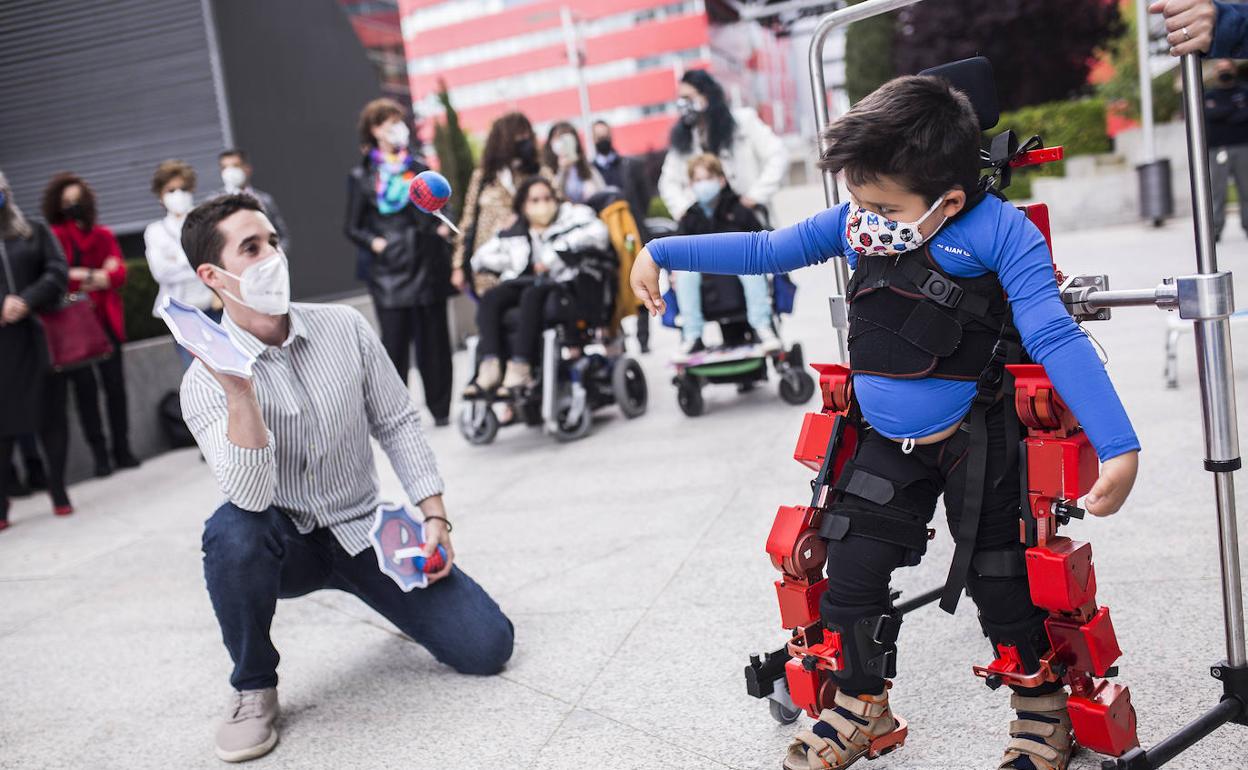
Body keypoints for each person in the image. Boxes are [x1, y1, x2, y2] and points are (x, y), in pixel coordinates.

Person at [631, 75, 1141, 770]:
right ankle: (863, 707)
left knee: (1003, 585)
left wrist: (1118, 445)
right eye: (856, 199)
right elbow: (766, 250)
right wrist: (662, 252)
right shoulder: (854, 224)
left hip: (978, 443)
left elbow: (1053, 335)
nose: (861, 217)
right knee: (850, 574)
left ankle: (1041, 712)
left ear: (949, 200)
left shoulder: (999, 230)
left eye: (880, 204)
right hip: (884, 442)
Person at [180, 194, 513, 763]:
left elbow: (397, 420)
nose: (272, 258)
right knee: (231, 532)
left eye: (273, 243)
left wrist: (433, 513)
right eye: (251, 248)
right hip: (283, 543)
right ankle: (253, 686)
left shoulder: (344, 328)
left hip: (364, 529)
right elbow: (250, 496)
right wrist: (240, 391)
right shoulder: (203, 382)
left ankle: (399, 603)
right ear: (213, 276)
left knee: (487, 646)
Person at [344, 98, 454, 426]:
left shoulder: (419, 167)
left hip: (426, 261)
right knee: (394, 343)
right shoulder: (362, 174)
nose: (394, 128)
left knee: (434, 341)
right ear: (373, 130)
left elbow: (444, 204)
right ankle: (394, 412)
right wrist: (376, 243)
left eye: (397, 120)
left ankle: (441, 408)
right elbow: (352, 225)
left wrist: (441, 226)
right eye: (386, 122)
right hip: (388, 270)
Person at [463, 177, 612, 396]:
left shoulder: (573, 217)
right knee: (492, 297)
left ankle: (521, 366)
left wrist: (556, 255)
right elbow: (481, 258)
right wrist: (504, 247)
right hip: (522, 281)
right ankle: (490, 366)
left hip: (562, 284)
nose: (542, 205)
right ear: (524, 205)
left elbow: (599, 235)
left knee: (533, 294)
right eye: (534, 200)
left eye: (547, 198)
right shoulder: (515, 229)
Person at [43, 173, 141, 476]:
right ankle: (100, 455)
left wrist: (82, 275)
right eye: (67, 202)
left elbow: (119, 275)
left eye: (78, 201)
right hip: (77, 325)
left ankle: (121, 449)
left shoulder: (103, 234)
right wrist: (95, 275)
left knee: (115, 387)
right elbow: (58, 275)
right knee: (86, 392)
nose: (74, 207)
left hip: (107, 321)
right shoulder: (55, 236)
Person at [0, 171, 73, 530]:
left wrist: (26, 301)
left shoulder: (33, 230)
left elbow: (58, 271)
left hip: (39, 338)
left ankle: (58, 490)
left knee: (51, 416)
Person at [672, 154, 780, 355]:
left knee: (751, 265)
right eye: (697, 180)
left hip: (739, 271)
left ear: (721, 180)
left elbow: (761, 244)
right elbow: (678, 253)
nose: (702, 185)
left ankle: (762, 328)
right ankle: (692, 336)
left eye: (707, 179)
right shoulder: (689, 219)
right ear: (691, 185)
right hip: (706, 279)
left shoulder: (740, 211)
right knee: (684, 274)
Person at [657, 69, 789, 224]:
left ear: (707, 95)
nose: (683, 104)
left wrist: (755, 196)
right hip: (708, 226)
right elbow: (668, 182)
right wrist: (686, 211)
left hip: (747, 218)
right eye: (680, 98)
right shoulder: (683, 138)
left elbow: (778, 155)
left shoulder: (743, 123)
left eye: (688, 98)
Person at [451, 111, 547, 296]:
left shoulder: (538, 173)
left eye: (527, 135)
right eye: (519, 135)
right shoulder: (483, 178)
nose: (524, 140)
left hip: (530, 264)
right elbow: (468, 221)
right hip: (490, 269)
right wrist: (458, 266)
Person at [144, 159, 220, 368]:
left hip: (215, 306)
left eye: (183, 188)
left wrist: (177, 259)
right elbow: (161, 272)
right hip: (183, 314)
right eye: (171, 190)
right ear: (160, 195)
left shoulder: (208, 221)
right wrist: (196, 261)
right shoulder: (155, 231)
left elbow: (217, 260)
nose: (178, 194)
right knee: (197, 372)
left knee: (229, 369)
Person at [592, 118, 653, 352]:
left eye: (604, 135)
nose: (602, 140)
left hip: (633, 233)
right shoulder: (591, 171)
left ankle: (644, 337)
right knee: (615, 286)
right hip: (607, 238)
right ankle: (620, 338)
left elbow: (644, 197)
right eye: (597, 137)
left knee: (643, 280)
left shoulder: (630, 166)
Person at [1203, 60, 1248, 241]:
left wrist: (1223, 112)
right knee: (1217, 191)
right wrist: (1234, 108)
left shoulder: (1244, 92)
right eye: (1221, 69)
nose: (1224, 72)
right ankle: (1215, 230)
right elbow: (1211, 115)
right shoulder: (1209, 95)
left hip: (1243, 147)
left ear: (1234, 70)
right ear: (1215, 72)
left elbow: (1245, 115)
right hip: (1218, 150)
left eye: (1227, 69)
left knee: (1246, 190)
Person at [217, 149, 290, 251]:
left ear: (247, 168)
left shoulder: (265, 200)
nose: (230, 172)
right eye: (225, 167)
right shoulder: (215, 203)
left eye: (235, 166)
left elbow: (281, 235)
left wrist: (276, 255)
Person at [543, 121, 606, 205]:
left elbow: (602, 190)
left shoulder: (586, 167)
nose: (563, 143)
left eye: (567, 138)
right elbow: (553, 196)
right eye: (558, 138)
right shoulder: (546, 171)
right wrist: (562, 170)